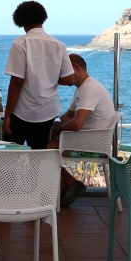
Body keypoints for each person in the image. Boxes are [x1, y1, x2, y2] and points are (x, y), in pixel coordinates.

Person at [3, 1, 75, 149]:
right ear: (43, 18)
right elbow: (69, 79)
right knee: (38, 158)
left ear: (21, 21)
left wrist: (8, 114)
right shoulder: (58, 44)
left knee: (8, 158)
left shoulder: (21, 43)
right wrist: (50, 75)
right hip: (48, 111)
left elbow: (17, 81)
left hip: (23, 111)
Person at [48, 53, 117, 206]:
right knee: (40, 141)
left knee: (43, 147)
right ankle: (66, 186)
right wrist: (49, 125)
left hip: (93, 145)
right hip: (86, 139)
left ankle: (66, 186)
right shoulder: (82, 88)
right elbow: (68, 116)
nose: (59, 78)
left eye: (62, 73)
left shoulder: (89, 88)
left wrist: (55, 131)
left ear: (75, 68)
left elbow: (77, 124)